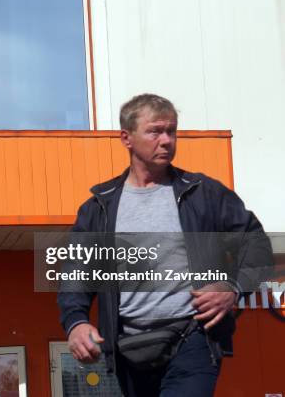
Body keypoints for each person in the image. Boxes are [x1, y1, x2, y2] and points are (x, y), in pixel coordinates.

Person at [57, 94, 272, 396]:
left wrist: (232, 287)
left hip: (193, 338)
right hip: (128, 349)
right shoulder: (98, 207)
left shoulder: (203, 193)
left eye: (171, 131)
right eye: (155, 131)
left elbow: (257, 243)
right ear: (126, 138)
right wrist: (76, 322)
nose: (167, 140)